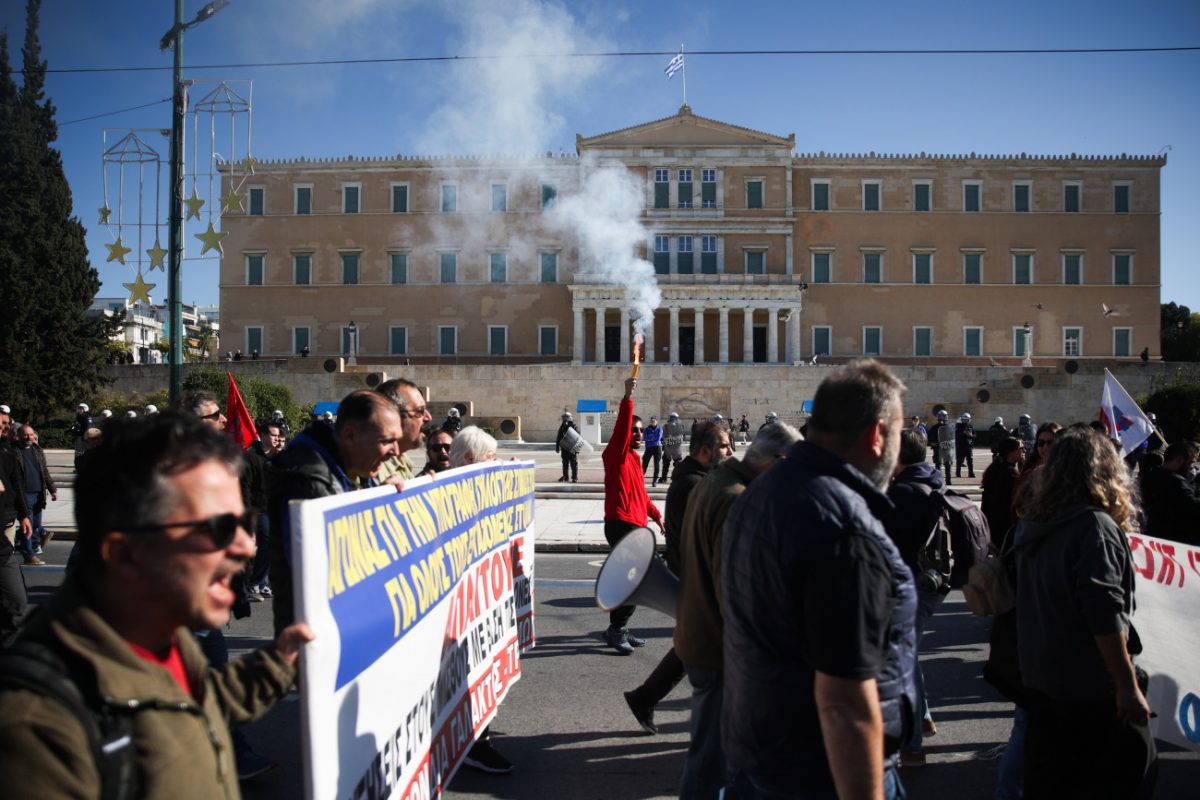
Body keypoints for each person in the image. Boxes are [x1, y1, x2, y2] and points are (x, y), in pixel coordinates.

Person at [0, 412, 314, 797]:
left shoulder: (162, 631)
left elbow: (197, 706)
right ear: (126, 554)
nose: (245, 547)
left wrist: (279, 663)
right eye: (215, 527)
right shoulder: (39, 728)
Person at [723, 359, 916, 800]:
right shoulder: (844, 529)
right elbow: (845, 704)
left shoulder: (761, 491)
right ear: (877, 435)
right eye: (899, 434)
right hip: (820, 772)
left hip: (759, 749)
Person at [1013, 426, 1156, 798]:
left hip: (1043, 682)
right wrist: (1125, 686)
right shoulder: (1094, 526)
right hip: (1091, 689)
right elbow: (1103, 611)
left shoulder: (1033, 526)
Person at [675, 422, 801, 798]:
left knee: (717, 755)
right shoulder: (735, 499)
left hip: (701, 637)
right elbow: (734, 592)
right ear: (778, 461)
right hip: (719, 651)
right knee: (710, 762)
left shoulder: (715, 482)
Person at [265, 390, 404, 636]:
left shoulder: (353, 467)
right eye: (386, 441)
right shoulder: (309, 483)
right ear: (350, 435)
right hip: (320, 640)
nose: (395, 451)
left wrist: (383, 498)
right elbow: (332, 569)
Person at [623, 421, 732, 735]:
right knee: (701, 643)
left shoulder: (692, 478)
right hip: (694, 575)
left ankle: (645, 697)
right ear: (703, 450)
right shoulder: (694, 484)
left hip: (691, 572)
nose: (729, 451)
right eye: (724, 446)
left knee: (694, 641)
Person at [444, 425, 513, 775]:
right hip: (460, 613)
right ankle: (475, 744)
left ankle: (475, 737)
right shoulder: (446, 496)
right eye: (491, 458)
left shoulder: (476, 490)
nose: (497, 463)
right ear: (470, 460)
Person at [883, 428, 949, 767]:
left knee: (901, 664)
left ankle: (911, 744)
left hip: (911, 586)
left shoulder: (905, 492)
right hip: (932, 582)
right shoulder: (933, 479)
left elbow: (887, 546)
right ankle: (921, 717)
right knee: (906, 658)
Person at [601, 377, 663, 655]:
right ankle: (617, 629)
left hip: (636, 523)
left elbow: (641, 494)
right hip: (620, 522)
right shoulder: (616, 454)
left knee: (635, 579)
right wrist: (627, 396)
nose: (637, 435)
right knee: (635, 579)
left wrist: (657, 515)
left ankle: (619, 627)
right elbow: (621, 429)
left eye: (640, 432)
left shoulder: (636, 461)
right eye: (634, 431)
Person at [1138, 440, 1200, 546]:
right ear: (1180, 460)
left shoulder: (1151, 475)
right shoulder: (1176, 482)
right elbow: (1193, 507)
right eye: (1191, 462)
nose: (1192, 467)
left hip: (1153, 537)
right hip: (1176, 542)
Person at [0, 440, 32, 637]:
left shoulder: (6, 453)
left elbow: (14, 487)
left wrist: (23, 514)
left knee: (16, 601)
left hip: (2, 544)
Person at [374, 378, 432, 484]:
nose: (428, 417)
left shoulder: (404, 462)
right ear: (393, 416)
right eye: (420, 411)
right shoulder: (371, 468)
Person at [15, 425, 56, 566]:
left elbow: (44, 471)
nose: (29, 437)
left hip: (38, 493)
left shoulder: (36, 450)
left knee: (36, 525)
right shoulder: (14, 451)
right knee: (28, 525)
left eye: (31, 434)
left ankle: (25, 547)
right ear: (18, 436)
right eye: (26, 435)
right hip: (23, 494)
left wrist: (53, 489)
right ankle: (29, 554)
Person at [981, 437, 1024, 541]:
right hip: (1005, 525)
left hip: (990, 523)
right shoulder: (1010, 474)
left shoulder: (994, 468)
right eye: (1021, 448)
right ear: (1010, 452)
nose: (1024, 450)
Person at [929, 408, 954, 484]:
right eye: (942, 416)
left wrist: (951, 443)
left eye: (944, 416)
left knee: (948, 464)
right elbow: (930, 438)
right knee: (938, 465)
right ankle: (938, 481)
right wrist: (932, 443)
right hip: (937, 448)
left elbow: (953, 437)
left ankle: (948, 480)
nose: (943, 418)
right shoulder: (934, 427)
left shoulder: (950, 427)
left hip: (946, 447)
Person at [662, 411, 686, 483]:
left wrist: (669, 442)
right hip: (676, 448)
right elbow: (681, 438)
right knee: (678, 466)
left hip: (668, 448)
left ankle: (664, 478)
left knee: (666, 465)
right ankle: (678, 479)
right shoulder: (680, 426)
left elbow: (665, 438)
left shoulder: (666, 426)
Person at [554, 412, 579, 483]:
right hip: (564, 448)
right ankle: (565, 477)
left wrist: (577, 449)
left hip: (572, 448)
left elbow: (577, 438)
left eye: (566, 419)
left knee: (573, 464)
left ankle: (574, 477)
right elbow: (559, 438)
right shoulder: (562, 427)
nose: (565, 421)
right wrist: (557, 447)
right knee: (565, 464)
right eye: (564, 420)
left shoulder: (574, 427)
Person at [642, 416, 665, 486]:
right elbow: (644, 437)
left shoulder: (659, 429)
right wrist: (652, 437)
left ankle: (654, 481)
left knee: (656, 465)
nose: (653, 422)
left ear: (656, 422)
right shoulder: (647, 429)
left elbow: (658, 438)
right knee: (644, 464)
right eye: (652, 421)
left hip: (657, 448)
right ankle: (640, 479)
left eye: (654, 421)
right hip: (649, 448)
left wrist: (650, 437)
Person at [70, 402, 91, 469]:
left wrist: (85, 437)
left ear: (84, 409)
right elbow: (77, 426)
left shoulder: (87, 417)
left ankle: (84, 467)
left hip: (84, 437)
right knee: (78, 452)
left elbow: (87, 428)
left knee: (82, 452)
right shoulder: (79, 416)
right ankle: (79, 466)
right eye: (78, 408)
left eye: (80, 408)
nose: (78, 409)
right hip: (79, 436)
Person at [955, 412, 977, 478]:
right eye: (964, 420)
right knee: (959, 461)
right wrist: (963, 433)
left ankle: (971, 473)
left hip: (968, 446)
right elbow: (956, 435)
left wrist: (971, 435)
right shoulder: (958, 426)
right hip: (960, 446)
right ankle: (958, 473)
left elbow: (975, 435)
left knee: (970, 461)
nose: (965, 421)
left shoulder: (971, 426)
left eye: (967, 420)